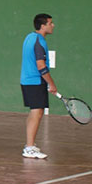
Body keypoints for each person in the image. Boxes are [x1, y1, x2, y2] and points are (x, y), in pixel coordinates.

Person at [20, 13, 57, 159]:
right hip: (35, 81)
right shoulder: (39, 42)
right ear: (43, 26)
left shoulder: (29, 37)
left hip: (27, 81)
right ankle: (29, 148)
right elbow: (41, 66)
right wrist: (52, 84)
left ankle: (29, 144)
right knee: (37, 113)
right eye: (50, 23)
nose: (53, 25)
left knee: (34, 112)